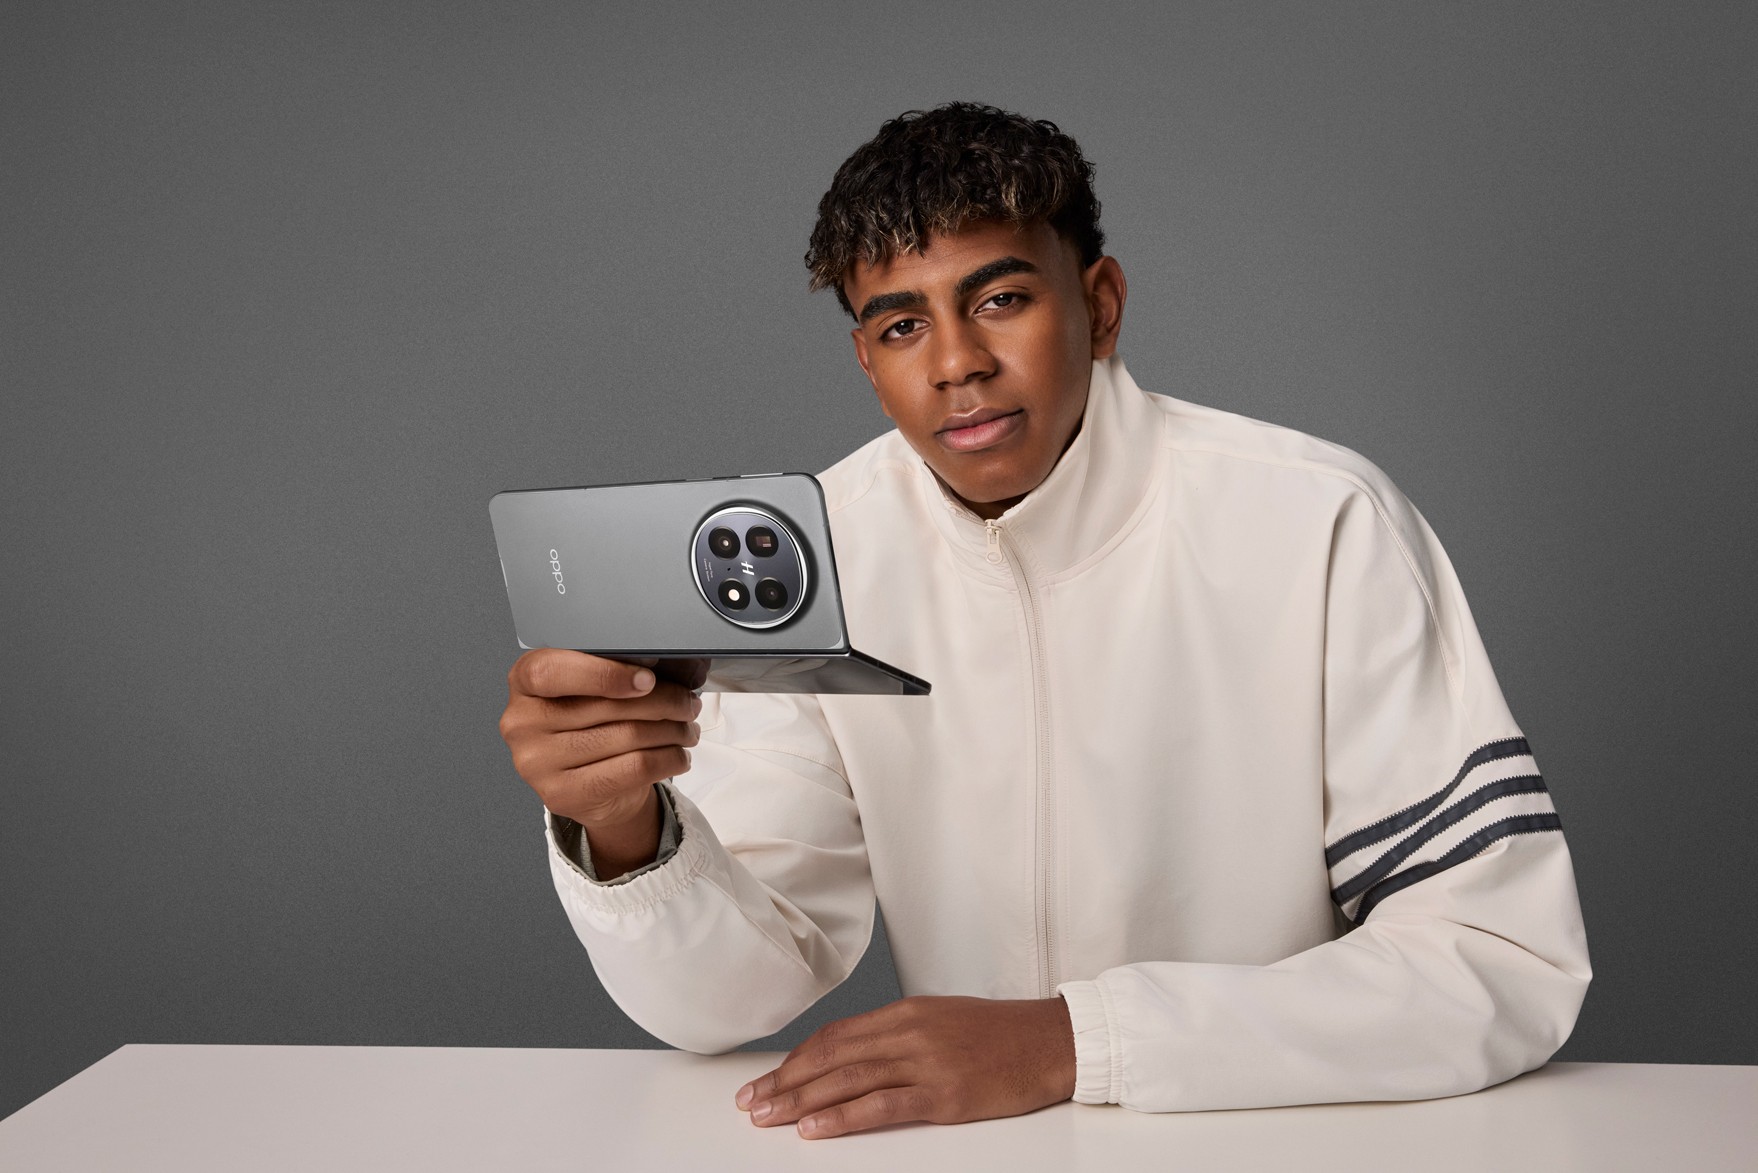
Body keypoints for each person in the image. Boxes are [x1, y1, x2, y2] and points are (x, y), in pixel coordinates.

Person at [496, 103, 1590, 1139]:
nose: (957, 363)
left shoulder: (1319, 520)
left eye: (1001, 299)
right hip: (976, 1152)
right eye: (902, 324)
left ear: (1100, 304)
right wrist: (625, 829)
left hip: (1268, 1138)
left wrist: (1073, 1042)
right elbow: (729, 998)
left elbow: (1499, 960)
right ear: (868, 362)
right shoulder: (830, 555)